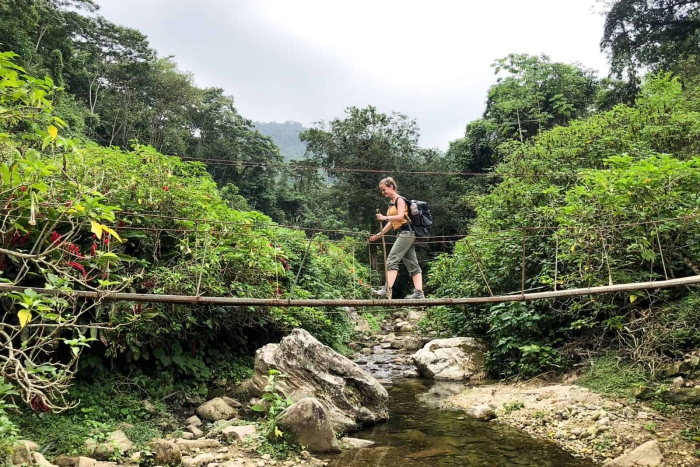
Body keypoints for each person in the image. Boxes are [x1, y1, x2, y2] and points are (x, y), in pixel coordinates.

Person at [369, 177, 425, 299]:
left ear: (391, 187)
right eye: (382, 191)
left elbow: (399, 216)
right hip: (402, 233)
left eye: (384, 190)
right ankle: (419, 293)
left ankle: (387, 289)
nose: (383, 193)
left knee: (392, 259)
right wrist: (379, 234)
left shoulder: (400, 200)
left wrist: (384, 217)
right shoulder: (391, 203)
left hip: (407, 233)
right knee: (412, 263)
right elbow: (392, 222)